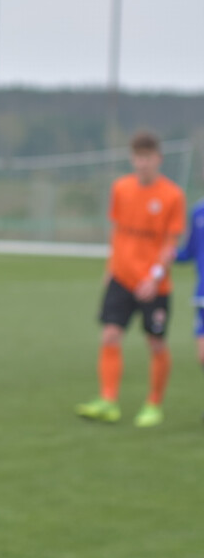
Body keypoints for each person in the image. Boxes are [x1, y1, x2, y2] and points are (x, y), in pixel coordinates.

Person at [76, 130, 185, 427]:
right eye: (138, 158)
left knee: (156, 344)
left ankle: (154, 404)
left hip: (154, 285)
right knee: (110, 335)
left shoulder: (172, 195)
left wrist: (155, 276)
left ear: (158, 160)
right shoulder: (121, 189)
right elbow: (118, 231)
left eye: (148, 158)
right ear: (131, 159)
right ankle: (108, 400)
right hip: (121, 278)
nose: (143, 164)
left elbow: (170, 243)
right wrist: (111, 267)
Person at [174, 191, 204, 422]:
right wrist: (168, 254)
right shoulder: (197, 211)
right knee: (202, 356)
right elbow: (190, 251)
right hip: (202, 296)